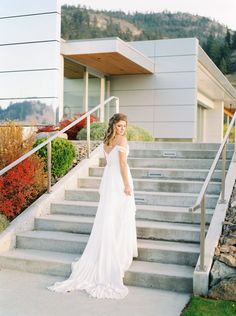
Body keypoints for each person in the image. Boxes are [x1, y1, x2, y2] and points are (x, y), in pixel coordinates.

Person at [47, 113, 138, 299]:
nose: (122, 129)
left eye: (124, 126)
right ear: (113, 125)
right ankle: (117, 249)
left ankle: (114, 246)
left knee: (111, 214)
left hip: (109, 178)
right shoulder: (121, 140)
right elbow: (121, 164)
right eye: (119, 126)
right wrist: (127, 185)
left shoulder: (106, 141)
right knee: (119, 214)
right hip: (118, 179)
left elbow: (109, 163)